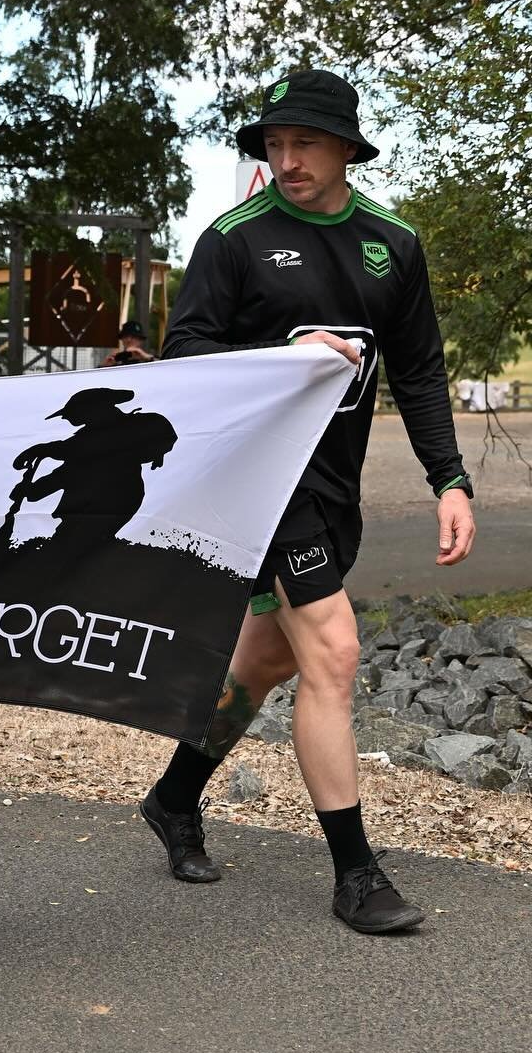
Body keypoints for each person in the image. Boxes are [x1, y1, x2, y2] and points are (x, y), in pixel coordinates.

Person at [138, 69, 475, 935]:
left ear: (346, 149)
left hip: (335, 484)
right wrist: (285, 353)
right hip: (257, 482)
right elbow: (186, 355)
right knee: (332, 652)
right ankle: (357, 875)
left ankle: (174, 797)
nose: (285, 161)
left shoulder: (392, 244)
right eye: (274, 145)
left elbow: (423, 371)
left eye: (304, 144)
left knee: (270, 658)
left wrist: (450, 480)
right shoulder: (236, 239)